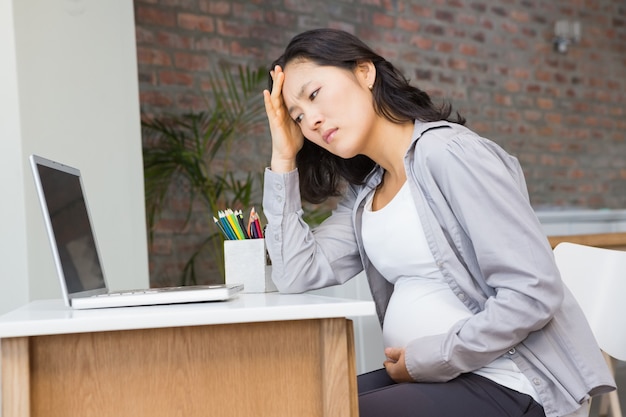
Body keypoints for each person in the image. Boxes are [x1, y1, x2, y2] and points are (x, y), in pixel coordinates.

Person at [261, 28, 615, 417]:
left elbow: (533, 292)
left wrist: (433, 357)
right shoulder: (366, 194)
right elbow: (294, 272)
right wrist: (283, 156)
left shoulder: (449, 154)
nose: (310, 120)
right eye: (297, 117)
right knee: (298, 402)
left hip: (510, 380)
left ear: (364, 72)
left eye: (314, 95)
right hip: (437, 379)